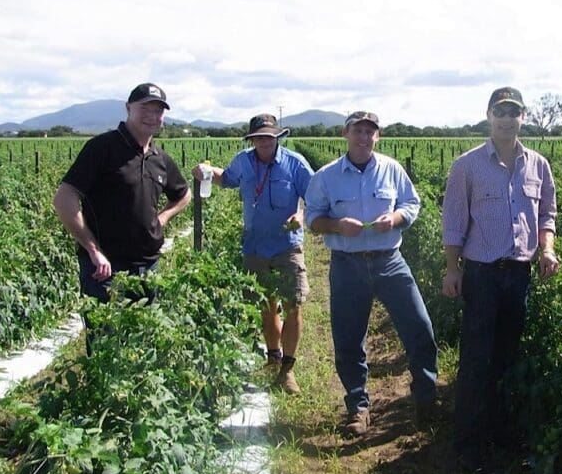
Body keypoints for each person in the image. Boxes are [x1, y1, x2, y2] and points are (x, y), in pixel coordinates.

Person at [441, 86, 560, 474]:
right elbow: (454, 223)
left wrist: (547, 250)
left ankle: (501, 434)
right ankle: (467, 443)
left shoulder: (538, 165)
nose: (507, 118)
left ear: (523, 117)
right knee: (476, 358)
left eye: (514, 112)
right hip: (483, 274)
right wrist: (453, 269)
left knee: (508, 356)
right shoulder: (467, 165)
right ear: (489, 115)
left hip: (519, 273)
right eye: (500, 111)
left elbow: (547, 215)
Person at [305, 111, 438, 437]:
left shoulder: (391, 169)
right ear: (345, 134)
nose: (364, 137)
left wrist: (394, 220)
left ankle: (426, 400)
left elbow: (412, 203)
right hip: (347, 264)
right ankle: (358, 408)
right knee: (349, 339)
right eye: (358, 131)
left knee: (420, 327)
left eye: (370, 132)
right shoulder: (326, 176)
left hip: (389, 261)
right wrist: (336, 225)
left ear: (377, 137)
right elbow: (312, 218)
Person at [195, 113, 314, 394]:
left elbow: (314, 198)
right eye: (258, 137)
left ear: (277, 137)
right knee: (265, 304)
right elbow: (228, 180)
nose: (263, 141)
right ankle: (273, 357)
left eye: (268, 136)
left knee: (293, 304)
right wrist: (208, 173)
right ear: (252, 139)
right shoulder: (243, 161)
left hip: (287, 246)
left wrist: (300, 214)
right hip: (254, 246)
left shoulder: (295, 164)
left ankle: (288, 369)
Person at [53, 82, 190, 312]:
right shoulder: (102, 148)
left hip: (148, 267)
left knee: (144, 339)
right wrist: (93, 250)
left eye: (158, 110)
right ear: (128, 108)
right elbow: (64, 199)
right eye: (145, 108)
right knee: (104, 341)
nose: (152, 116)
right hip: (105, 267)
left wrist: (163, 218)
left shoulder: (160, 158)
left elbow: (183, 195)